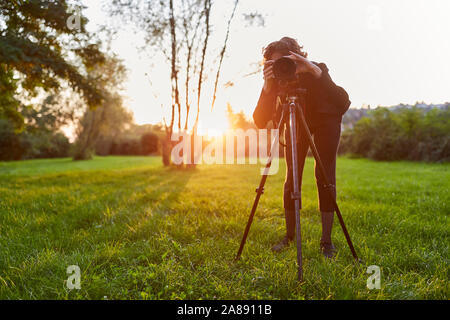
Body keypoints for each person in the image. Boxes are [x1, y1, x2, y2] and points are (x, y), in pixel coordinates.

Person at [253, 37, 351, 258]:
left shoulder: (317, 69)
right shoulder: (276, 79)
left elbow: (343, 102)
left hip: (327, 120)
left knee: (325, 176)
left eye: (286, 60)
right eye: (274, 63)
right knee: (292, 177)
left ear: (297, 56)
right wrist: (268, 86)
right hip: (295, 121)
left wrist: (314, 71)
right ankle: (289, 237)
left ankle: (326, 242)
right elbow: (260, 121)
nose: (282, 66)